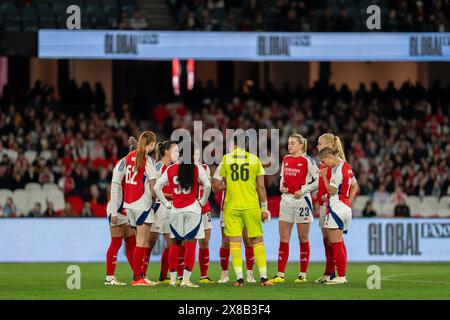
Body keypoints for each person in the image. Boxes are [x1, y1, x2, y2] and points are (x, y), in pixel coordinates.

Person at [215, 130, 273, 287]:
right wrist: (265, 207)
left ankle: (239, 279)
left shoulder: (226, 160)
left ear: (233, 144)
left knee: (234, 241)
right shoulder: (255, 160)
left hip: (232, 207)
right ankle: (263, 277)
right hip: (251, 206)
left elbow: (218, 183)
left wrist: (230, 186)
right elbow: (261, 186)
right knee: (256, 240)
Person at [154, 142, 211, 288]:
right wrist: (202, 202)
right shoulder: (197, 168)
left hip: (175, 210)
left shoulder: (171, 168)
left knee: (176, 244)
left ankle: (173, 280)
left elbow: (156, 187)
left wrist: (166, 203)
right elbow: (208, 185)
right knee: (191, 244)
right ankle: (185, 280)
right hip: (193, 209)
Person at [113, 131, 158, 286]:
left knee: (141, 242)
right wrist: (157, 200)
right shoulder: (148, 160)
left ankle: (139, 276)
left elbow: (120, 176)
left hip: (129, 205)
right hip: (142, 205)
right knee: (142, 242)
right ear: (151, 145)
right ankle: (138, 278)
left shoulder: (129, 157)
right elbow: (153, 186)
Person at [271, 134, 318, 283]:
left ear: (300, 145)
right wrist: (281, 187)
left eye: (292, 143)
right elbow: (282, 178)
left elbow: (319, 180)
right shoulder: (286, 159)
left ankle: (302, 275)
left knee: (302, 238)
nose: (289, 145)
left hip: (302, 200)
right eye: (289, 143)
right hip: (286, 200)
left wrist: (303, 190)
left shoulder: (308, 161)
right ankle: (280, 274)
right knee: (284, 238)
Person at [318, 147, 358, 285]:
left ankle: (341, 276)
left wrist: (323, 176)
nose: (325, 165)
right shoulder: (346, 166)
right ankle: (340, 275)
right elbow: (355, 186)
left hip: (336, 209)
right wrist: (348, 202)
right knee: (338, 243)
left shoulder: (335, 170)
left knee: (335, 244)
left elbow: (332, 190)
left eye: (324, 161)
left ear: (329, 157)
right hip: (345, 209)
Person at [212, 164, 256, 284]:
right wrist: (228, 186)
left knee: (248, 240)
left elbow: (257, 184)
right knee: (226, 242)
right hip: (228, 208)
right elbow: (215, 186)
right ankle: (224, 273)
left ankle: (250, 273)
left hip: (247, 206)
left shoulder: (250, 161)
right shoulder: (224, 164)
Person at [315, 133, 349, 284]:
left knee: (334, 241)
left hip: (332, 206)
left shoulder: (335, 164)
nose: (317, 146)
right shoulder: (325, 163)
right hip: (325, 205)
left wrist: (345, 201)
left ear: (328, 145)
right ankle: (329, 273)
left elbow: (346, 186)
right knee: (328, 241)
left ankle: (339, 274)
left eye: (319, 143)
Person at [104, 141, 138, 286]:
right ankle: (109, 278)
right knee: (116, 242)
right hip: (117, 210)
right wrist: (113, 212)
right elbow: (114, 186)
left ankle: (137, 276)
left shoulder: (139, 165)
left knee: (131, 244)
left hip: (127, 211)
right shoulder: (122, 164)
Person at [148, 140, 179, 284]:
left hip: (169, 207)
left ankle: (163, 275)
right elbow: (154, 189)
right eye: (175, 151)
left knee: (170, 243)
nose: (177, 154)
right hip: (158, 207)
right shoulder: (159, 166)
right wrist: (170, 196)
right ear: (167, 152)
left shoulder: (172, 168)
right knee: (150, 242)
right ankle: (141, 273)